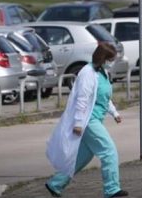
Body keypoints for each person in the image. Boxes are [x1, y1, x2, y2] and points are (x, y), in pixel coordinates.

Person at [45, 43, 128, 198]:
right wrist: (78, 123)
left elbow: (104, 96)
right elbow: (82, 100)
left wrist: (114, 113)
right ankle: (111, 189)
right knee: (109, 151)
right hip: (89, 121)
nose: (112, 63)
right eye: (110, 59)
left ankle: (55, 184)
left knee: (82, 157)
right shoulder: (88, 73)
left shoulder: (102, 72)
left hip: (96, 119)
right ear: (103, 58)